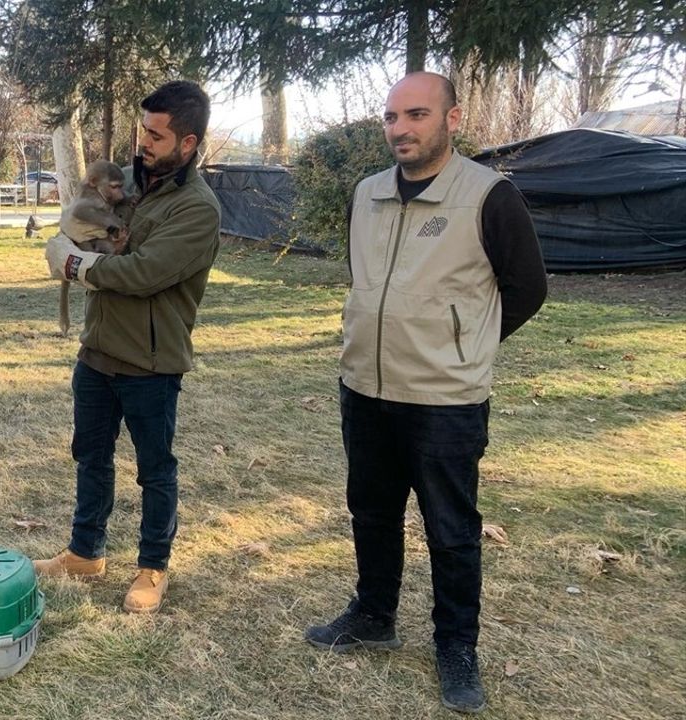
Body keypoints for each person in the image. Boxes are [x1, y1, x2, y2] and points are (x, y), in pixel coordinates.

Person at [303, 71, 547, 714]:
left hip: (446, 398)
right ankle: (374, 616)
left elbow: (527, 289)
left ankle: (456, 647)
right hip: (365, 386)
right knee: (372, 512)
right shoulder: (367, 194)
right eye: (391, 117)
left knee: (452, 530)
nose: (401, 129)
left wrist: (462, 342)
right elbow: (366, 280)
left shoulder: (490, 197)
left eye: (416, 114)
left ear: (452, 118)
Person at [36, 80, 221, 615]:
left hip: (151, 363)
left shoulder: (197, 209)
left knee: (154, 468)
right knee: (90, 456)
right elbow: (83, 217)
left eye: (157, 135)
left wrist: (76, 265)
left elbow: (144, 273)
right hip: (97, 351)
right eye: (143, 130)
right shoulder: (126, 187)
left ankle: (152, 566)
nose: (144, 142)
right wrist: (66, 236)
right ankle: (85, 552)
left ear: (187, 144)